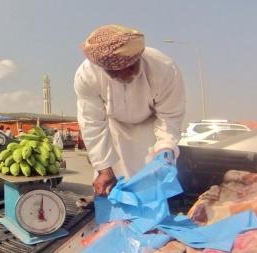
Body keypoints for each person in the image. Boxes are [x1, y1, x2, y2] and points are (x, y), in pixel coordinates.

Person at [75, 24, 185, 197]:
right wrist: (103, 167)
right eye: (115, 71)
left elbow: (169, 116)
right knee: (112, 190)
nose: (123, 73)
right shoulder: (87, 75)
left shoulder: (164, 68)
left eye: (129, 66)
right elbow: (92, 123)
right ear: (102, 67)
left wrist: (166, 147)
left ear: (139, 56)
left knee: (153, 188)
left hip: (151, 128)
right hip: (114, 130)